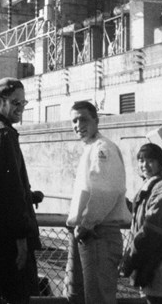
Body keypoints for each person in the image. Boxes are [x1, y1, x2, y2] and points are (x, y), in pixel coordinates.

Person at [0, 77, 43, 304]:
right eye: (16, 103)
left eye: (23, 104)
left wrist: (29, 195)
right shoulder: (3, 133)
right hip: (7, 241)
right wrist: (21, 237)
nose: (21, 109)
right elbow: (11, 193)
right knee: (19, 296)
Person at [65, 101, 131, 304]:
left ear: (96, 121)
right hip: (88, 232)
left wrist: (86, 223)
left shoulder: (102, 148)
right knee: (82, 295)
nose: (78, 125)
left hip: (96, 232)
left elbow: (106, 191)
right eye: (74, 121)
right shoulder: (91, 148)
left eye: (83, 119)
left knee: (98, 297)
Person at [121, 143, 162, 304]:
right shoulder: (153, 187)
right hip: (155, 260)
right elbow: (143, 215)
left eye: (150, 160)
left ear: (160, 164)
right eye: (141, 160)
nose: (145, 165)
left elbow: (151, 232)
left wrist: (128, 262)